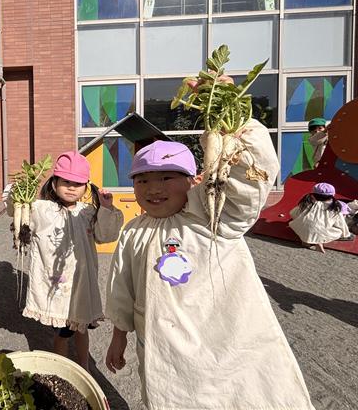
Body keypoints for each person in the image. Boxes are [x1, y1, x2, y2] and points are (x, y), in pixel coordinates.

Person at [105, 120, 315, 409]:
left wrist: (235, 133)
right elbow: (121, 285)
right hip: (164, 352)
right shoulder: (134, 231)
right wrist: (119, 335)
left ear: (194, 181)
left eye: (166, 177)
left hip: (222, 348)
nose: (153, 188)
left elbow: (248, 184)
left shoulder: (214, 216)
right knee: (171, 398)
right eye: (142, 180)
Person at [6, 151, 123, 370]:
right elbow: (16, 211)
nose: (71, 187)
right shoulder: (42, 210)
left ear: (86, 186)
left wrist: (107, 208)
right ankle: (61, 368)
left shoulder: (88, 212)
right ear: (54, 183)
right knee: (62, 332)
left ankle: (83, 366)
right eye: (66, 182)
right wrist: (17, 195)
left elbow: (105, 235)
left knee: (81, 328)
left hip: (82, 284)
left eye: (77, 184)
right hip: (57, 285)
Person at [289, 182, 352, 253]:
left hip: (301, 230)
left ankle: (305, 241)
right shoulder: (333, 207)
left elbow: (293, 213)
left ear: (313, 195)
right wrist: (346, 234)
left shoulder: (307, 203)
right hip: (319, 233)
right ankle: (318, 241)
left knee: (304, 226)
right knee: (339, 232)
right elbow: (340, 224)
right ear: (332, 195)